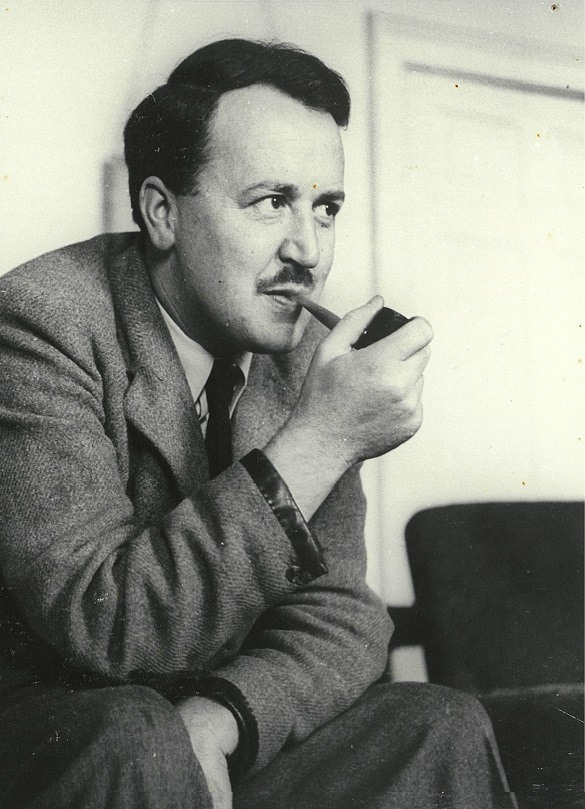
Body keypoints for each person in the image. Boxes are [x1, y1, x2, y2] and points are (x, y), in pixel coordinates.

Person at [0, 38, 516, 809]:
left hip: (204, 714)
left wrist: (225, 717)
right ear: (161, 212)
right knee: (138, 729)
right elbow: (105, 624)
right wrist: (323, 436)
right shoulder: (42, 321)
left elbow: (341, 615)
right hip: (59, 732)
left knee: (437, 720)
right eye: (271, 201)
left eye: (325, 207)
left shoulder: (309, 356)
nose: (307, 250)